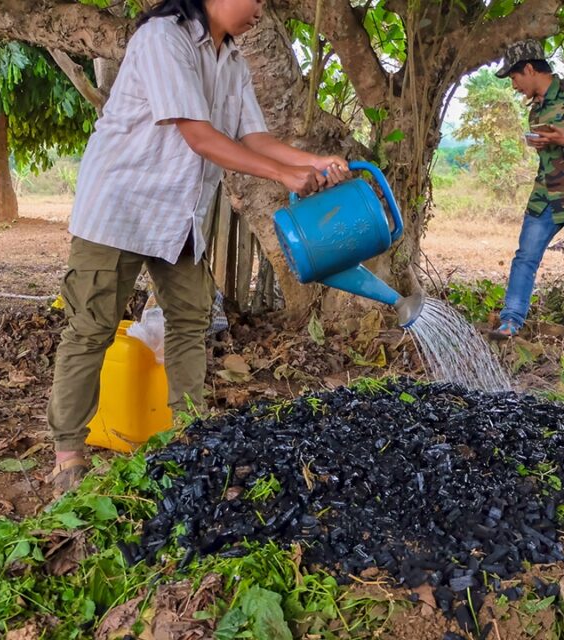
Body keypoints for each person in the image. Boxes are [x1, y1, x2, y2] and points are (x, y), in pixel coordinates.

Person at [46, 0, 351, 496]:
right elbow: (200, 136)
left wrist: (314, 161)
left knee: (190, 316)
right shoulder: (162, 38)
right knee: (92, 327)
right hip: (119, 204)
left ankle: (187, 435)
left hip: (176, 213)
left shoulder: (231, 58)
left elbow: (254, 136)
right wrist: (285, 175)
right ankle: (67, 457)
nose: (260, 9)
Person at [488, 40, 564, 349]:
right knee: (525, 258)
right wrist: (545, 144)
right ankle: (511, 321)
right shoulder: (536, 108)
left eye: (515, 78)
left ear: (529, 69)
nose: (515, 86)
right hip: (545, 196)